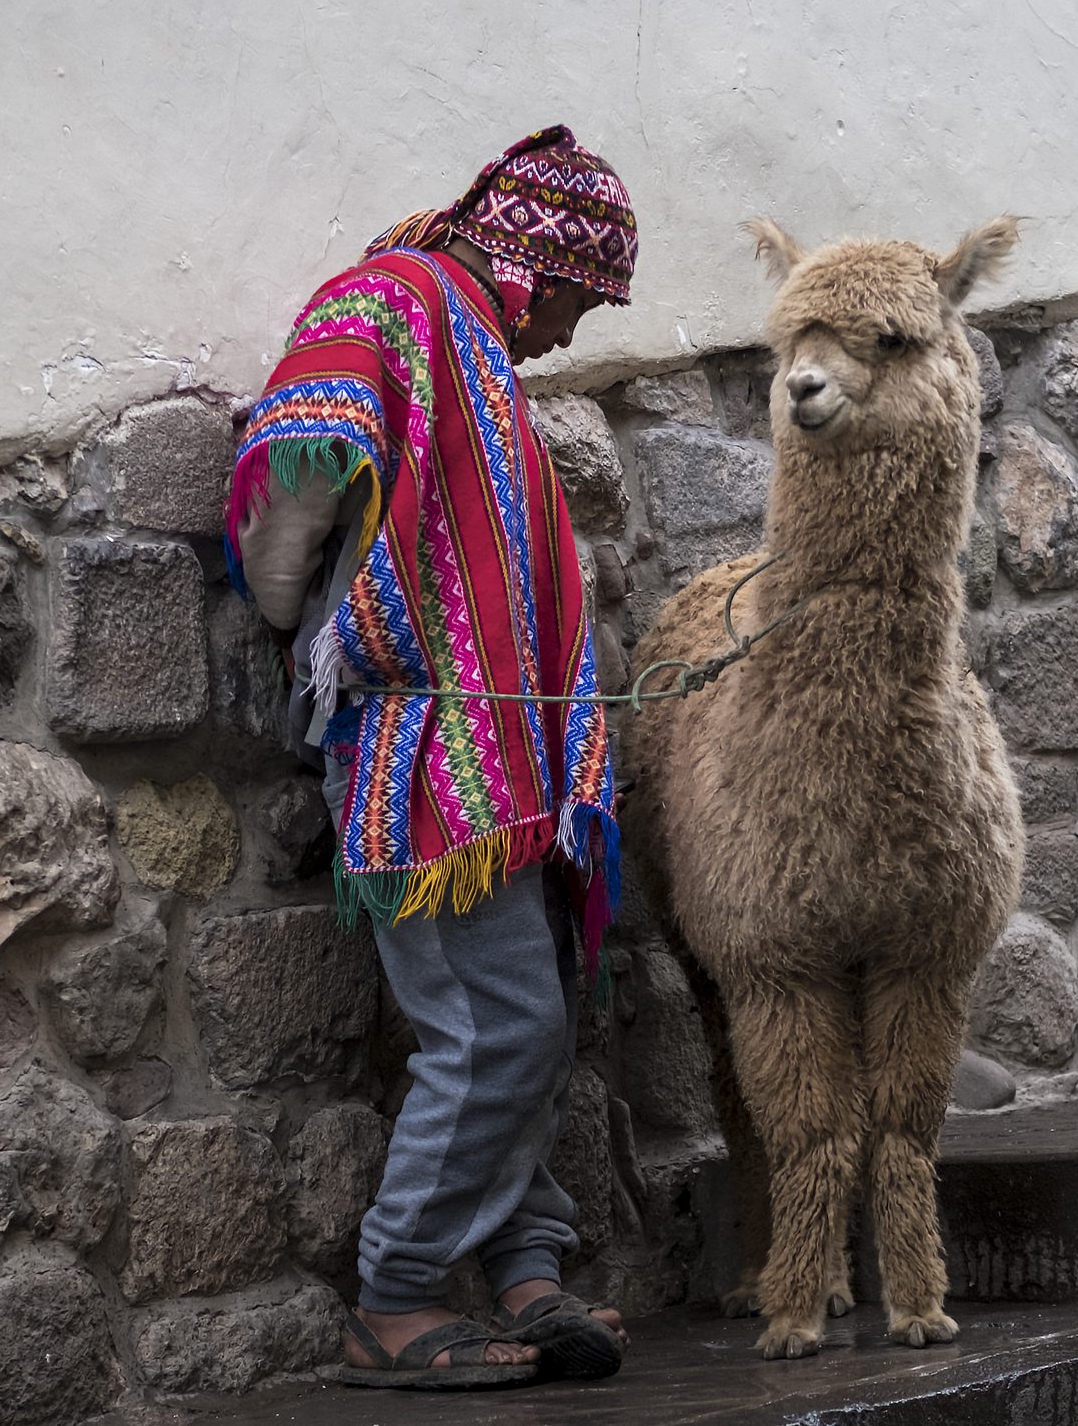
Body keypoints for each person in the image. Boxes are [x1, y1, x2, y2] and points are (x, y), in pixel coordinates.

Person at [225, 126, 636, 1391]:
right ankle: (396, 1302)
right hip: (422, 756)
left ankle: (528, 1268)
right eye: (580, 295)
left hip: (495, 761)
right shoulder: (393, 304)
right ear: (530, 258)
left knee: (527, 1013)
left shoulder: (465, 341)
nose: (572, 331)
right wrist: (318, 625)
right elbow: (295, 471)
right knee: (499, 1026)